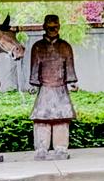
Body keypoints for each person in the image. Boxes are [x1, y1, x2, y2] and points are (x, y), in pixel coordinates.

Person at [27, 13, 77, 159]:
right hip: (45, 89)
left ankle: (60, 148)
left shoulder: (66, 47)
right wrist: (33, 84)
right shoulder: (37, 47)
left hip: (61, 88)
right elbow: (35, 70)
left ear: (59, 27)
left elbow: (70, 69)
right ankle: (41, 148)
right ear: (44, 27)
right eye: (50, 27)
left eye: (55, 26)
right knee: (42, 119)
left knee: (61, 119)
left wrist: (72, 82)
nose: (52, 29)